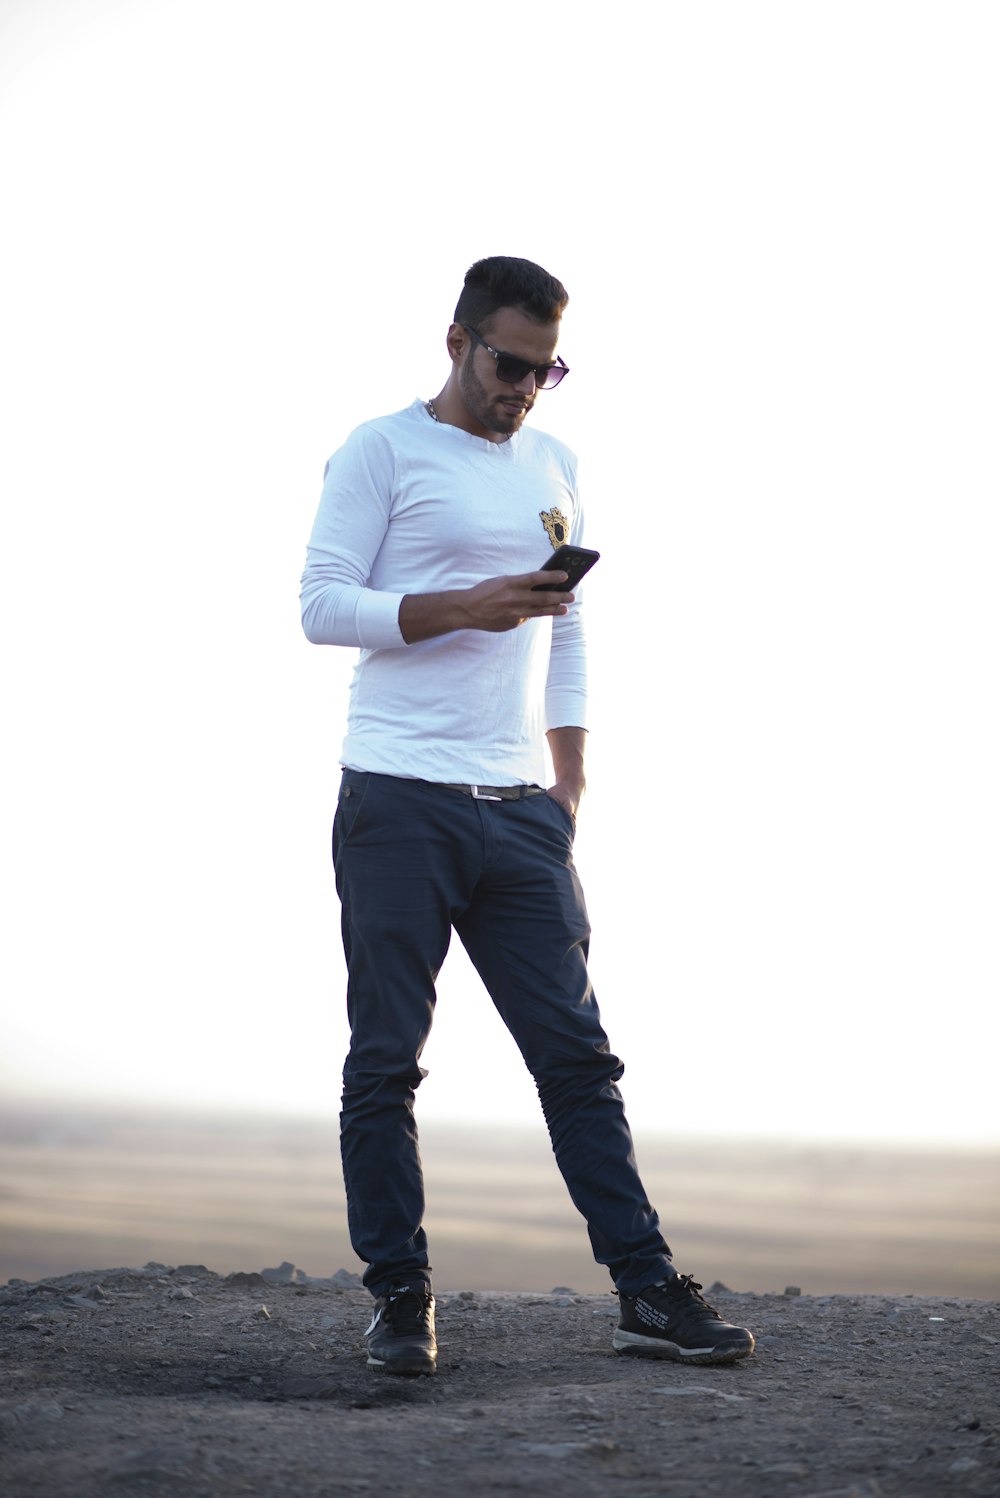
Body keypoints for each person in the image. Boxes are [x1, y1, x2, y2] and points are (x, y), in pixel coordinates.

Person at [300, 256, 754, 1377]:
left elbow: (571, 627)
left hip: (520, 814)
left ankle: (646, 1291)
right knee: (385, 1063)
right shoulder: (381, 449)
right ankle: (400, 1301)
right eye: (511, 364)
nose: (526, 390)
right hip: (398, 799)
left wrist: (572, 779)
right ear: (456, 340)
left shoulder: (556, 462)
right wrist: (467, 605)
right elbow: (319, 604)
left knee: (578, 1059)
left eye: (548, 369)